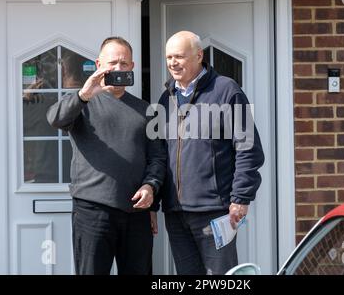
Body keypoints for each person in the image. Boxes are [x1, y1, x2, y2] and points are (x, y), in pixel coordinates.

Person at [47, 36, 166, 275]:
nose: (118, 69)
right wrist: (84, 94)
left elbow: (157, 158)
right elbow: (55, 119)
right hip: (92, 210)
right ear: (99, 64)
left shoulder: (147, 110)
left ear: (132, 66)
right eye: (112, 63)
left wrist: (151, 187)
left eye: (124, 63)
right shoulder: (83, 102)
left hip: (136, 212)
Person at [151, 31, 265, 275]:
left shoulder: (226, 90)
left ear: (199, 55)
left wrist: (241, 198)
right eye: (169, 57)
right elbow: (159, 156)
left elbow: (248, 148)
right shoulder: (166, 98)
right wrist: (156, 202)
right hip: (176, 213)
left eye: (179, 56)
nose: (172, 62)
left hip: (215, 211)